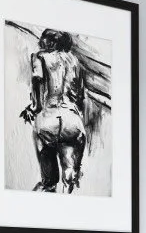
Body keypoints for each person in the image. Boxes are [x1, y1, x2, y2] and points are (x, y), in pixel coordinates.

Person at [13, 23, 96, 192]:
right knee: (70, 177)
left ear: (47, 42)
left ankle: (48, 189)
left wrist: (34, 107)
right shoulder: (75, 61)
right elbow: (79, 96)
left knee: (49, 182)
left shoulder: (39, 57)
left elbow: (37, 81)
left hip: (48, 120)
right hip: (73, 122)